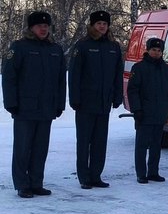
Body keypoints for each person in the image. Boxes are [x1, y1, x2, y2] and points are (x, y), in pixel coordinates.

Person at [2, 11, 66, 198]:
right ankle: (22, 184)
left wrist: (59, 104)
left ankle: (36, 183)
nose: (43, 29)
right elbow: (9, 78)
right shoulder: (19, 47)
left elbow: (61, 80)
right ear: (31, 28)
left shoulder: (55, 49)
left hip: (46, 108)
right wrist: (11, 103)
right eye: (39, 26)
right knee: (23, 148)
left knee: (40, 149)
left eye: (46, 26)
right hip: (25, 108)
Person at [68, 10, 124, 189]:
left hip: (104, 102)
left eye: (105, 24)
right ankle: (84, 177)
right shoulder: (82, 46)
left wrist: (117, 95)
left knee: (100, 141)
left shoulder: (113, 47)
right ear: (92, 25)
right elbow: (74, 75)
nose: (102, 26)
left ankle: (96, 175)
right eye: (99, 23)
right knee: (84, 141)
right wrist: (75, 98)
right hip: (86, 102)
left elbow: (117, 74)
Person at [127, 37, 168, 184]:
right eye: (153, 50)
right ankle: (141, 173)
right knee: (142, 145)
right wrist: (137, 109)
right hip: (144, 113)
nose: (156, 53)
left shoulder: (165, 69)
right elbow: (133, 91)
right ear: (148, 50)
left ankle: (153, 172)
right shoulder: (139, 68)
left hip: (160, 112)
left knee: (156, 145)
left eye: (159, 50)